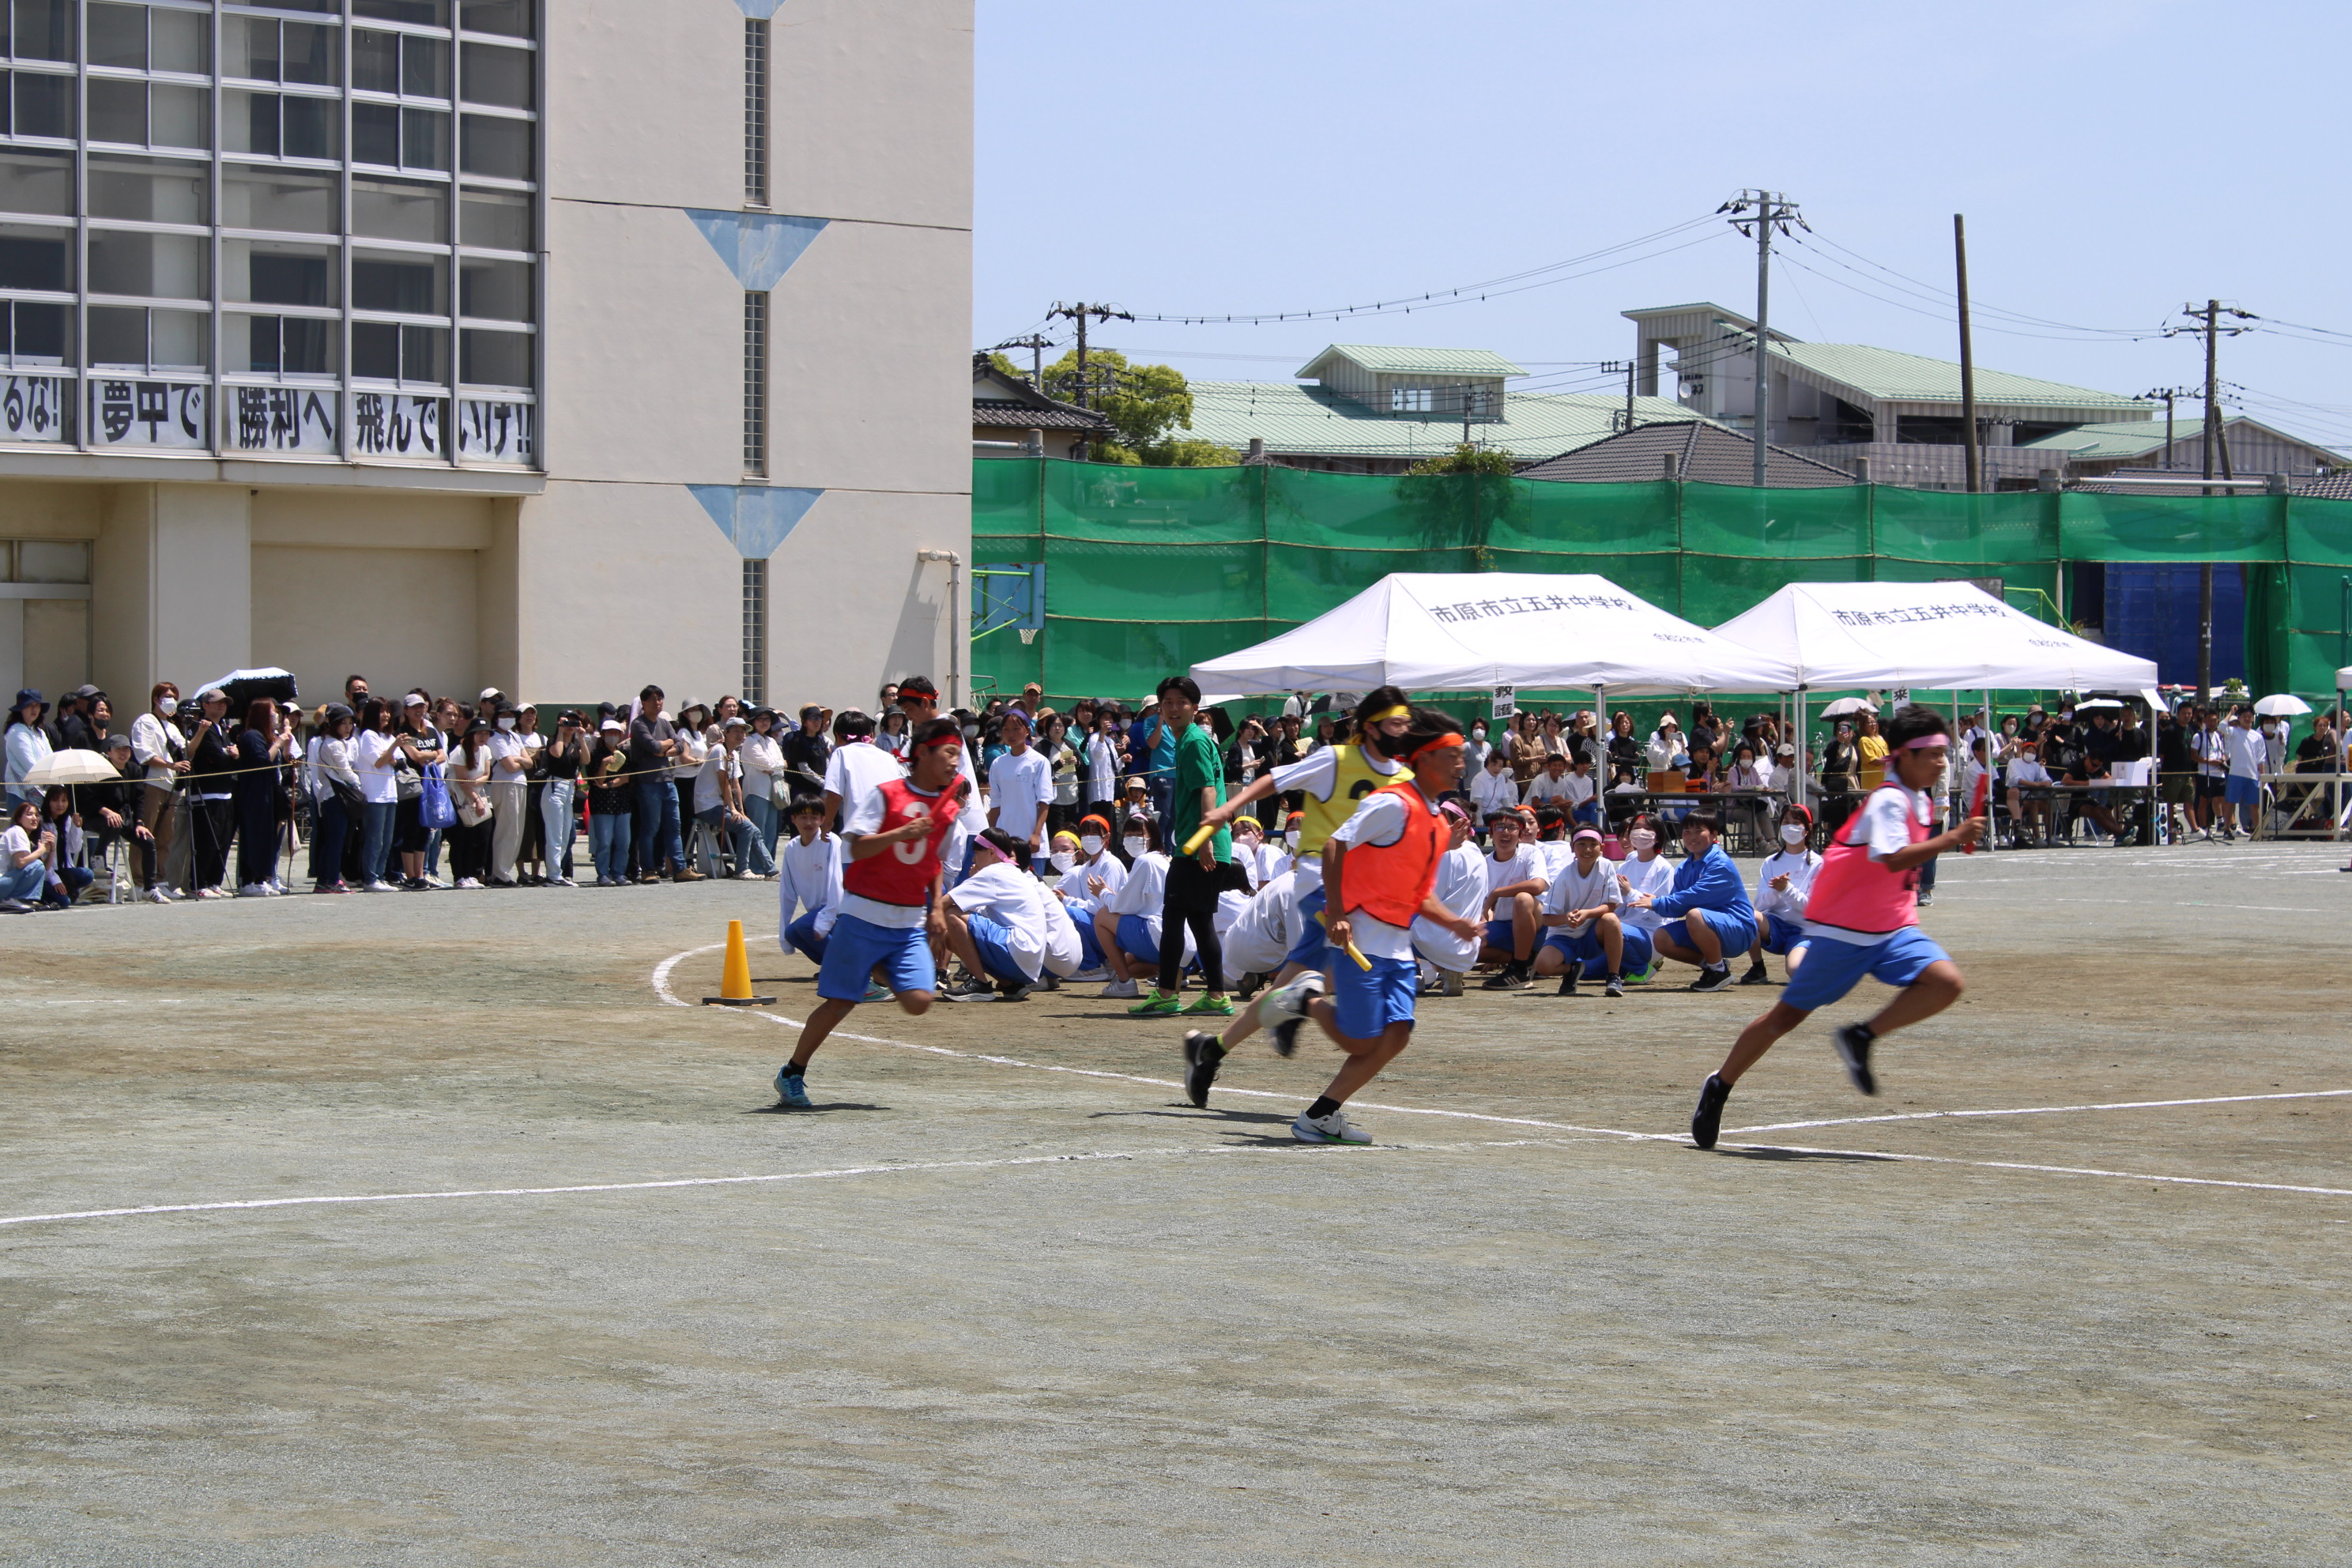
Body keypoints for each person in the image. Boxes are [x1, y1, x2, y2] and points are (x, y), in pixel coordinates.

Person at [1690, 705, 1984, 1150]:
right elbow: (1890, 858)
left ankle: (1861, 1035)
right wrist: (1953, 837)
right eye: (1931, 753)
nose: (1941, 761)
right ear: (1903, 755)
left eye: (1945, 752)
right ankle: (1720, 1085)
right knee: (1786, 1017)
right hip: (1842, 931)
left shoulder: (1921, 799)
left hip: (1892, 928)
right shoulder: (1888, 799)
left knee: (1946, 982)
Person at [1205, 707, 1479, 1144]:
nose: (1461, 762)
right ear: (1425, 757)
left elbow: (1417, 891)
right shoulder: (1393, 802)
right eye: (1452, 754)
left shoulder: (1432, 819)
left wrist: (1454, 922)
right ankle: (1306, 996)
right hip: (1364, 936)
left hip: (1398, 948)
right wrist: (1335, 912)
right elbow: (1335, 846)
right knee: (1359, 1041)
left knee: (1395, 1037)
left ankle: (1320, 1115)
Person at [771, 717, 971, 1110]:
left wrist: (934, 907)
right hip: (863, 917)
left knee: (919, 1001)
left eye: (958, 755)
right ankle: (792, 1072)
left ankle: (879, 968)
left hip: (909, 921)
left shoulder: (947, 811)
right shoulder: (886, 794)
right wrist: (901, 833)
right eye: (949, 753)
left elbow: (933, 863)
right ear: (924, 754)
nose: (955, 762)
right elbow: (855, 848)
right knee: (840, 1003)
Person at [1126, 677, 1243, 1019]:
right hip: (1203, 842)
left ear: (1195, 707)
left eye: (1181, 702)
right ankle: (1217, 995)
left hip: (1198, 844)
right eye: (1168, 702)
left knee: (1175, 916)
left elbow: (1208, 790)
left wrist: (1204, 838)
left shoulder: (1192, 741)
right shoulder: (1192, 740)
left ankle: (1166, 994)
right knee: (1200, 921)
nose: (1174, 708)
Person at [942, 829, 1083, 1001]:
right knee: (951, 938)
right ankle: (1011, 985)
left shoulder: (993, 872)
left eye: (977, 853)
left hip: (1030, 956)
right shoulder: (1015, 873)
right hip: (1033, 963)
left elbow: (945, 903)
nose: (973, 859)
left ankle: (979, 984)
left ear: (991, 852)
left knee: (951, 914)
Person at [1631, 812, 1757, 993]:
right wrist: (1659, 903)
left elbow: (1696, 895)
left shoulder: (1719, 862)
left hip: (1739, 930)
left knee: (1695, 915)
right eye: (1687, 832)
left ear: (1714, 835)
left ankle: (1719, 972)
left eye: (1699, 831)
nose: (1692, 837)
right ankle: (1714, 965)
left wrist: (1658, 902)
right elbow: (1675, 909)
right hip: (1709, 928)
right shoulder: (1684, 867)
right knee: (1662, 938)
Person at [1531, 827, 1639, 997]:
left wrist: (1588, 913)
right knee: (1544, 966)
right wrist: (1566, 919)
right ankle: (1572, 970)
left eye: (1593, 844)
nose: (1587, 850)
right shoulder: (1564, 876)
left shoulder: (1606, 866)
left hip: (1592, 932)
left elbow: (1612, 904)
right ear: (1572, 847)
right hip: (1564, 936)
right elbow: (1547, 918)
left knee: (1611, 919)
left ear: (1602, 848)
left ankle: (1613, 976)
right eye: (1581, 844)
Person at [1408, 800, 1485, 995]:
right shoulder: (1479, 854)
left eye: (1442, 820)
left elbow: (1428, 899)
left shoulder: (1449, 853)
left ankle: (1412, 975)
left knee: (1390, 917)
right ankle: (1448, 972)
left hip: (1441, 942)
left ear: (1459, 824)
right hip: (1467, 947)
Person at [1742, 801, 1821, 984]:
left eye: (1796, 823)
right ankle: (1758, 968)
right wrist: (1776, 891)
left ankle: (1818, 961)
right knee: (1749, 916)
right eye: (1786, 822)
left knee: (1795, 971)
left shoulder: (1818, 864)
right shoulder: (1771, 862)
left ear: (1808, 829)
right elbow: (1760, 904)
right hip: (1775, 927)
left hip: (1803, 930)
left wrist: (1786, 890)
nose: (1790, 827)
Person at [1093, 812, 1170, 997]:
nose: (1132, 839)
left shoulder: (1145, 861)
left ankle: (1125, 983)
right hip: (1178, 943)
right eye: (1128, 834)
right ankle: (1167, 972)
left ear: (1153, 835)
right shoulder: (1163, 860)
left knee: (1102, 917)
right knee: (1128, 963)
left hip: (1158, 935)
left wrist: (1103, 893)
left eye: (1138, 834)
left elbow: (1122, 907)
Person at [1476, 809, 1548, 988]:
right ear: (1490, 833)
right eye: (1499, 827)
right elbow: (1481, 907)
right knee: (1465, 947)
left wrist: (1497, 892)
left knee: (1523, 898)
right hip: (1504, 925)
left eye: (1512, 828)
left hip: (1537, 924)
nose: (1505, 832)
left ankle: (1520, 969)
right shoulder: (1484, 864)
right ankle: (1527, 959)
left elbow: (1538, 886)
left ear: (1521, 834)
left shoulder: (1530, 853)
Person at [777, 795, 846, 968]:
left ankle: (845, 966)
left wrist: (828, 916)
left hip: (839, 909)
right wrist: (783, 935)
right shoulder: (792, 847)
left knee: (804, 926)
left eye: (814, 817)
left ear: (823, 820)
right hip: (818, 911)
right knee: (792, 933)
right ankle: (831, 965)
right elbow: (788, 890)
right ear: (793, 819)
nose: (809, 822)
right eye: (803, 817)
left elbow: (837, 883)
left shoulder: (831, 842)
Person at [628, 685, 689, 881]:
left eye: (660, 698)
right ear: (644, 703)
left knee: (674, 827)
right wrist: (667, 744)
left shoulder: (664, 722)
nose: (658, 702)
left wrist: (663, 748)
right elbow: (653, 745)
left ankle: (680, 868)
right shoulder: (638, 724)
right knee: (650, 827)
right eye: (653, 699)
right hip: (648, 783)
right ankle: (648, 870)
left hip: (668, 781)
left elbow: (680, 745)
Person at [184, 687, 238, 900]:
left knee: (224, 841)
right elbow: (218, 757)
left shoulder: (222, 729)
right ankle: (199, 883)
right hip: (206, 793)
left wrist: (233, 753)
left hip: (225, 792)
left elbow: (231, 758)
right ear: (205, 705)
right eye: (217, 702)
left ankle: (215, 881)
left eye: (225, 702)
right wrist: (230, 754)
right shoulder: (202, 728)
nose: (222, 706)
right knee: (206, 841)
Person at [233, 698, 290, 895]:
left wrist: (284, 743)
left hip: (268, 793)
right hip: (253, 794)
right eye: (273, 711)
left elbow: (280, 763)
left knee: (267, 837)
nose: (276, 715)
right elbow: (263, 760)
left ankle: (261, 879)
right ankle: (248, 880)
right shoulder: (251, 736)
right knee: (253, 836)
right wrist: (280, 741)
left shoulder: (267, 737)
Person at [984, 708, 1054, 861]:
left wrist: (1036, 834)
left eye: (1016, 729)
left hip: (1030, 840)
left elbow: (1044, 801)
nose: (1011, 734)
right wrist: (991, 834)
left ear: (1027, 731)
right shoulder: (998, 764)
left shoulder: (1039, 761)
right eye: (1006, 730)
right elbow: (996, 803)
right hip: (1005, 839)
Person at [445, 720, 496, 888]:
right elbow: (462, 782)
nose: (483, 737)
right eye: (479, 733)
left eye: (486, 733)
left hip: (477, 796)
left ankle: (473, 874)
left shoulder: (486, 750)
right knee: (461, 839)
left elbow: (487, 774)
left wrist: (475, 783)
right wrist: (476, 799)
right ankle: (459, 876)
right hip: (459, 800)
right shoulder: (460, 752)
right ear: (471, 734)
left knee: (481, 837)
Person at [0, 797, 54, 911]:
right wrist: (41, 850)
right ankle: (12, 899)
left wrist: (52, 849)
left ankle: (14, 899)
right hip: (2, 882)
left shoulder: (28, 837)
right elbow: (21, 863)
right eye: (29, 814)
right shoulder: (17, 831)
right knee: (37, 865)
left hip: (6, 883)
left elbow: (45, 868)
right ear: (19, 819)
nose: (34, 818)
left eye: (37, 815)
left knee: (38, 865)